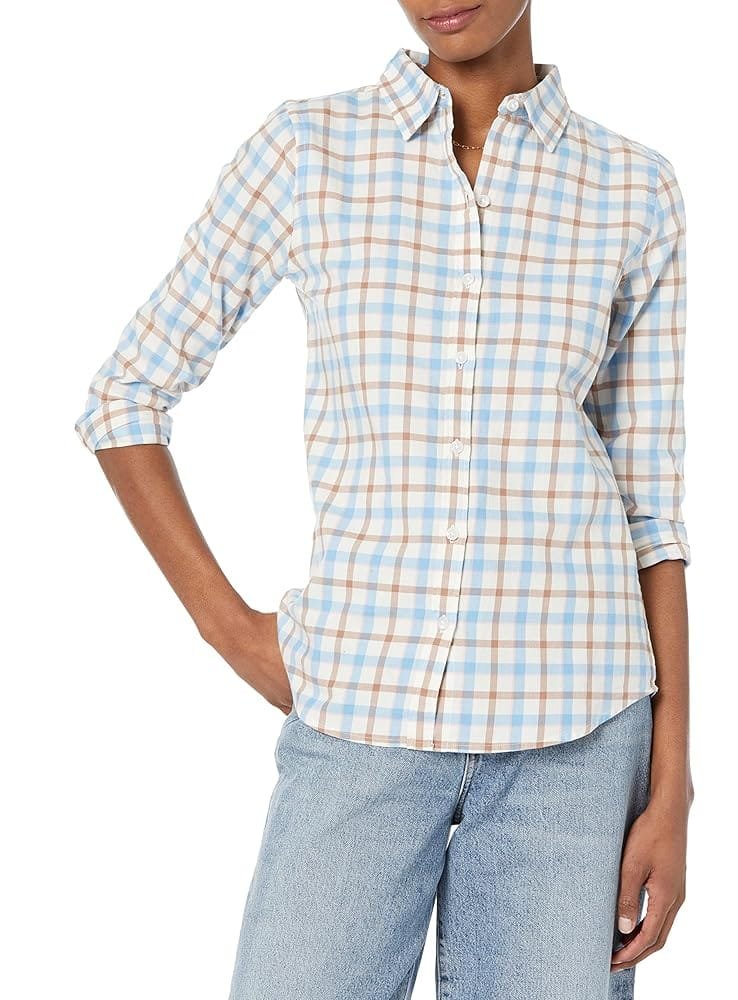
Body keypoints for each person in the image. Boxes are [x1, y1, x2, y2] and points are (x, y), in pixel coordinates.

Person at [73, 1, 694, 997]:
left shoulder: (632, 186)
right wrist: (230, 631)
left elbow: (649, 507)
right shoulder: (307, 149)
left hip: (579, 741)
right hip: (359, 715)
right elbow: (126, 395)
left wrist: (670, 790)